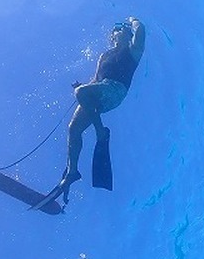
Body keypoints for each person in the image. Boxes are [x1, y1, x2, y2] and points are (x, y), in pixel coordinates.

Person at [56, 17, 146, 203]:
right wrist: (84, 87)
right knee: (73, 129)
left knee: (81, 93)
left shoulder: (133, 50)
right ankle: (72, 172)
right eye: (116, 29)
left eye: (122, 28)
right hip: (99, 90)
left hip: (116, 90)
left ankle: (100, 132)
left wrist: (133, 20)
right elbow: (96, 80)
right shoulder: (104, 56)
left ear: (128, 34)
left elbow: (141, 30)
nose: (118, 30)